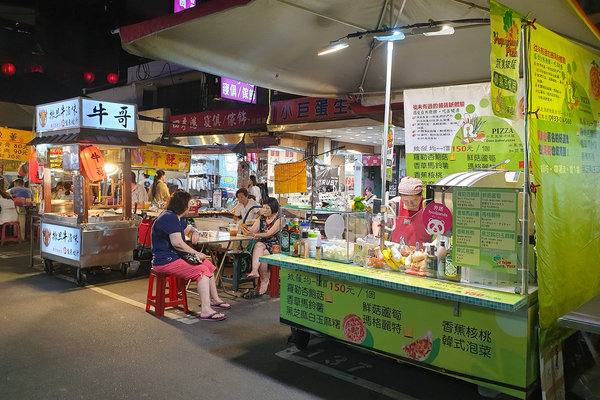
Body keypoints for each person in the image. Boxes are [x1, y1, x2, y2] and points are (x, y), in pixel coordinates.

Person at [151, 190, 230, 321]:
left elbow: (188, 230)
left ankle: (214, 299)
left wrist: (194, 232)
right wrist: (197, 253)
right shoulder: (169, 217)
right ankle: (205, 310)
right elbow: (178, 244)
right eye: (189, 203)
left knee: (208, 265)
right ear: (183, 205)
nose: (190, 206)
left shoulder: (177, 217)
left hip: (174, 258)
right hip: (165, 260)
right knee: (202, 271)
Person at [240, 197, 280, 297]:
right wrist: (247, 231)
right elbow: (253, 230)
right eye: (263, 208)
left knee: (260, 250)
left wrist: (254, 235)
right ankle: (257, 273)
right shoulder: (261, 218)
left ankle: (263, 278)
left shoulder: (280, 219)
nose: (264, 210)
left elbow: (269, 233)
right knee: (259, 247)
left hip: (276, 246)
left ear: (274, 208)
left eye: (267, 208)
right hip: (263, 246)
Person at [390, 176, 432, 247]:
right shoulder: (395, 204)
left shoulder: (428, 207)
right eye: (405, 201)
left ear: (421, 195)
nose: (410, 204)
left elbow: (442, 234)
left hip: (420, 253)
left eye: (414, 200)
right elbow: (379, 220)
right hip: (396, 252)